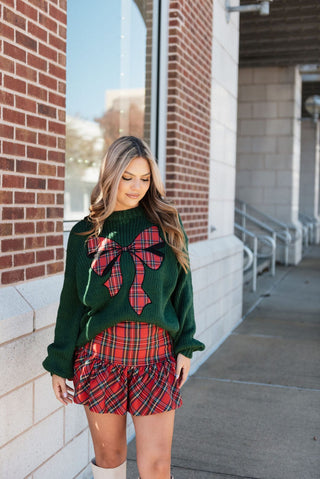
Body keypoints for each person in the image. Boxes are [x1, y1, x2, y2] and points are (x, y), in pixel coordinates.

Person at [43, 136, 205, 479]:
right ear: (110, 175)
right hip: (101, 359)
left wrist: (186, 346)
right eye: (128, 177)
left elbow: (184, 293)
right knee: (110, 457)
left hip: (156, 359)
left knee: (157, 465)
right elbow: (71, 304)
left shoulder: (169, 227)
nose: (136, 187)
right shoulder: (83, 234)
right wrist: (59, 362)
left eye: (145, 179)